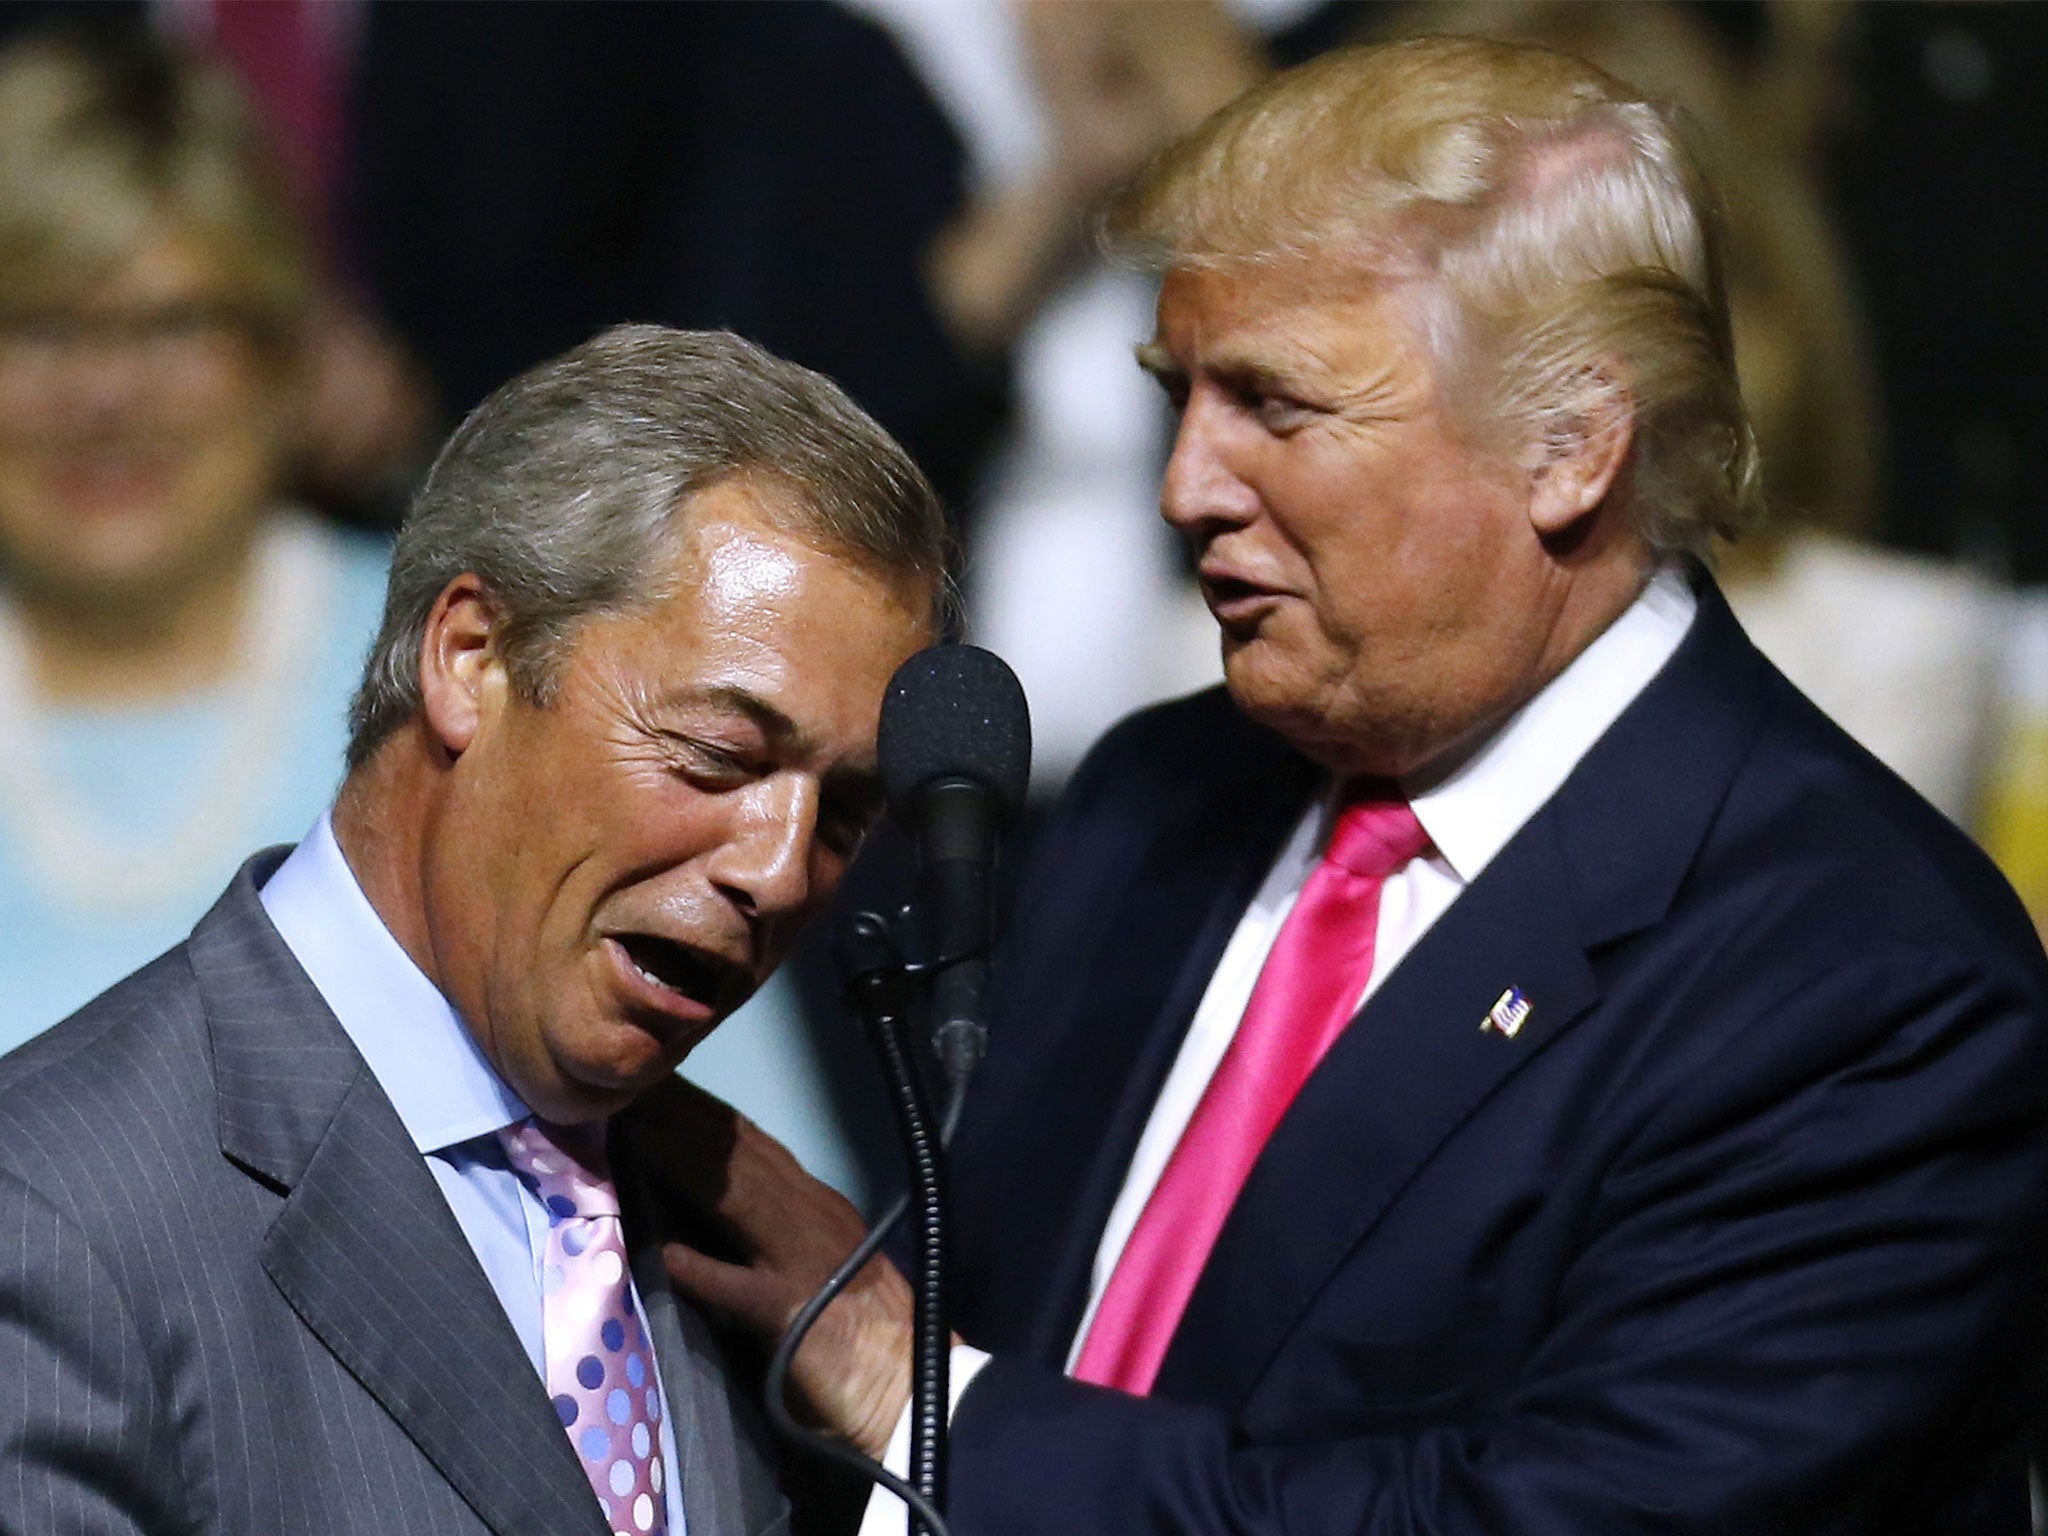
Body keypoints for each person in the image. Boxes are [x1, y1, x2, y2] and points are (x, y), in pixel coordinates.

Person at [655, 37, 2048, 1536]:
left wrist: (905, 1385)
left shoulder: (1868, 985)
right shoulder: (1156, 797)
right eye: (1178, 391)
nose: (1188, 484)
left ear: (1570, 444)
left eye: (1277, 405)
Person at [0, 324, 946, 1536]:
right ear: (469, 658)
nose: (777, 872)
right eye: (717, 756)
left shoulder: (757, 1248)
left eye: (843, 814)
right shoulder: (58, 1215)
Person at [0, 26, 393, 1045]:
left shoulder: (464, 686)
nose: (105, 393)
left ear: (282, 355)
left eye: (173, 324)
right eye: (41, 329)